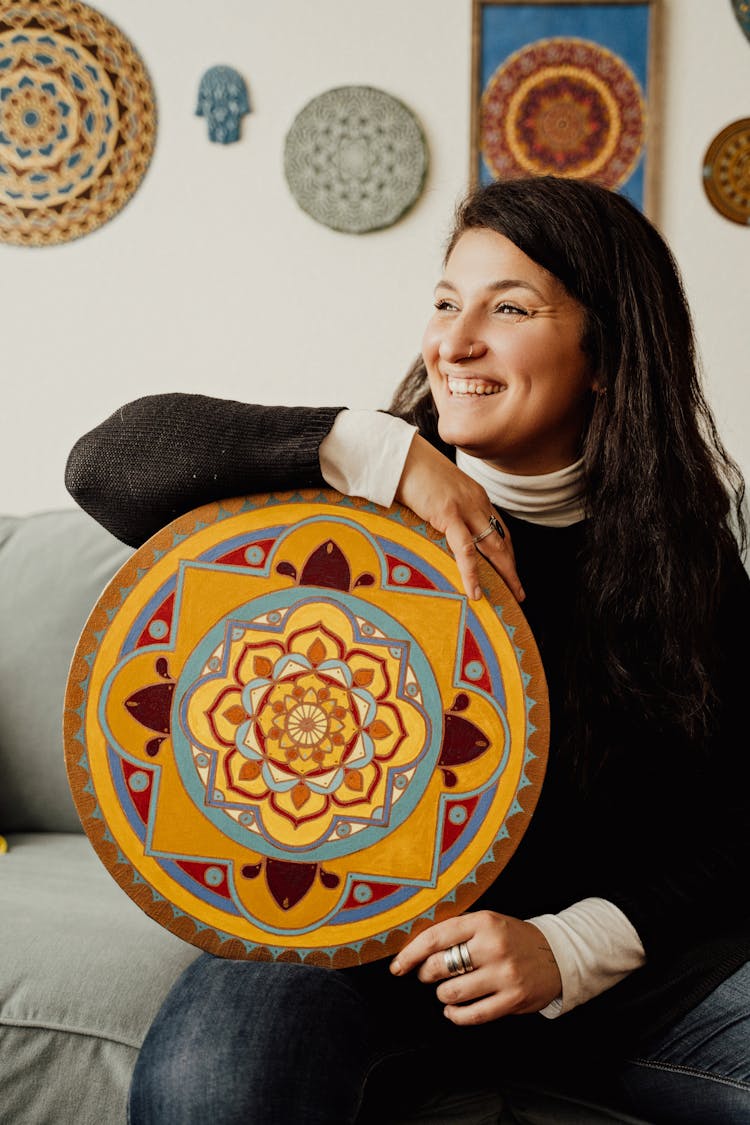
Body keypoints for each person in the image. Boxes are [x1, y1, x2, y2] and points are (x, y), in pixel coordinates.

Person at [66, 175, 750, 1125]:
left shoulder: (687, 555)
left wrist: (576, 943)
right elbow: (105, 464)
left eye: (508, 308)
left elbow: (735, 821)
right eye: (443, 302)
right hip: (341, 955)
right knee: (209, 1091)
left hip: (626, 985)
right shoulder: (349, 507)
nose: (454, 342)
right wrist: (380, 451)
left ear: (606, 355)